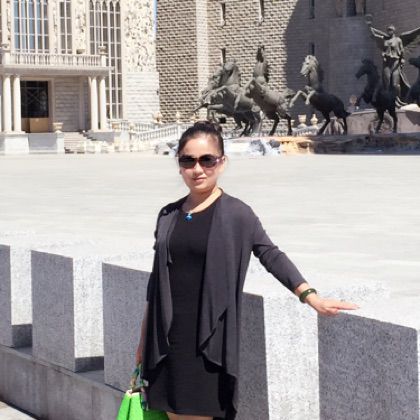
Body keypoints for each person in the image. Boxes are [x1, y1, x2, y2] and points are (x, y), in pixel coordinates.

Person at [135, 121, 358, 420]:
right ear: (179, 165)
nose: (197, 169)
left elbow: (270, 254)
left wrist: (310, 296)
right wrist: (143, 340)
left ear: (222, 162)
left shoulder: (236, 214)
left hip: (207, 342)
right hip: (165, 341)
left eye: (207, 160)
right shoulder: (168, 215)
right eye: (188, 160)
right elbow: (156, 283)